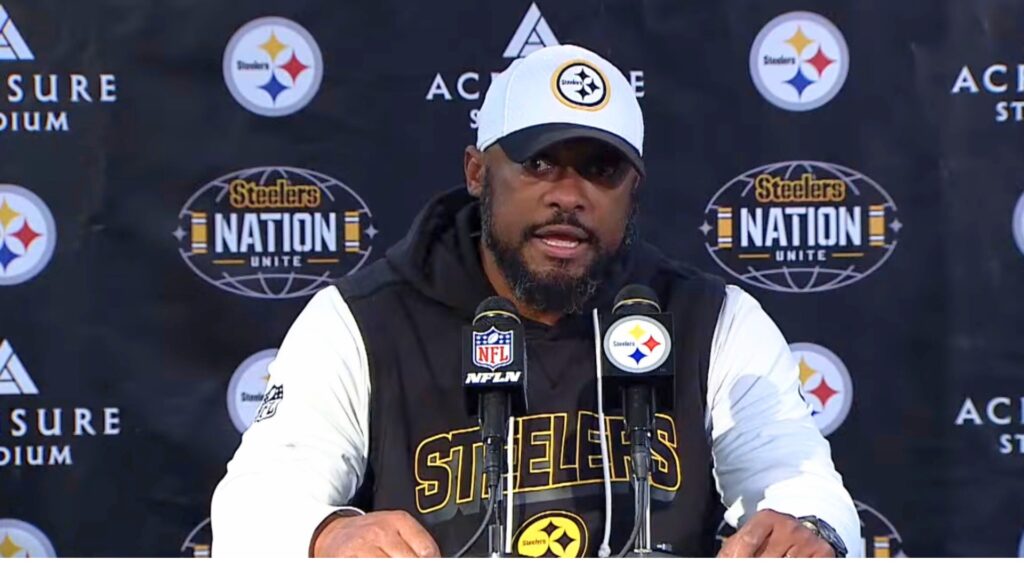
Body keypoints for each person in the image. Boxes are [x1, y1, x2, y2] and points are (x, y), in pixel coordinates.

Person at [211, 44, 861, 558]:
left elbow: (800, 480)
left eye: (600, 170)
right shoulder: (362, 320)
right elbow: (254, 506)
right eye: (540, 163)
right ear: (477, 172)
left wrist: (809, 531)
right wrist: (325, 535)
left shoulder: (712, 320)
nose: (569, 195)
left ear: (633, 190)